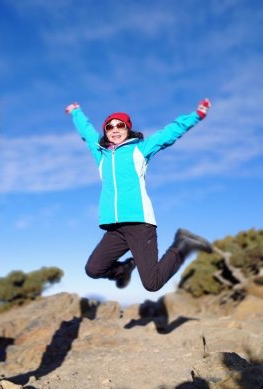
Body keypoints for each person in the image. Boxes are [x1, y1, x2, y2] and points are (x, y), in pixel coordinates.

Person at [65, 99, 213, 291]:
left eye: (121, 125)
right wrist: (76, 112)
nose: (115, 129)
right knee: (93, 269)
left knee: (152, 284)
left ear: (128, 129)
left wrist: (197, 115)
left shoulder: (140, 149)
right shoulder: (101, 155)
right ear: (106, 132)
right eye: (110, 127)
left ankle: (183, 245)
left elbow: (169, 133)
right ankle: (125, 269)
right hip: (116, 228)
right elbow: (87, 132)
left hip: (140, 225)